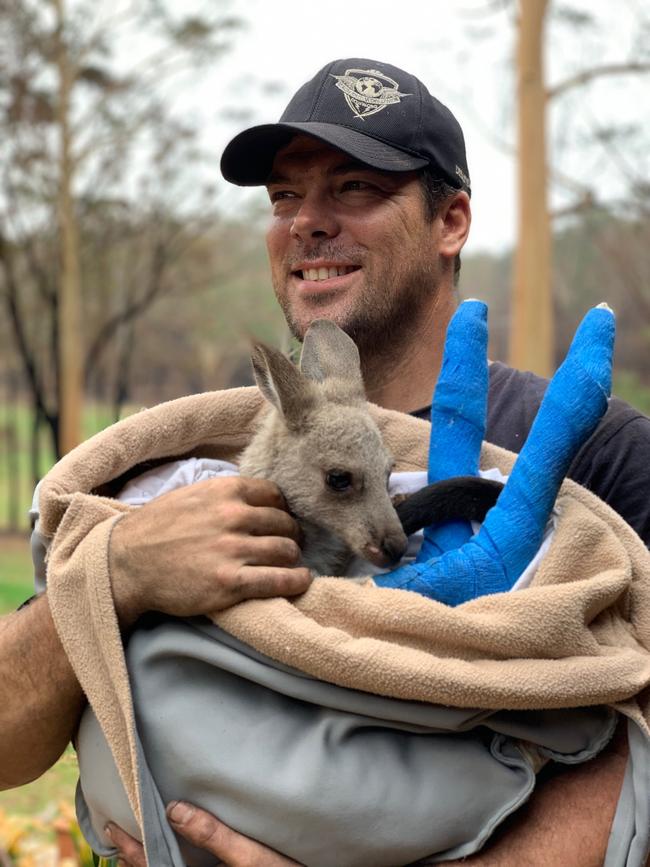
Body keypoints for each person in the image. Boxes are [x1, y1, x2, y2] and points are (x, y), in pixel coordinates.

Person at [2, 57, 649, 866]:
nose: (306, 221)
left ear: (450, 221)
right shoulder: (192, 464)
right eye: (283, 196)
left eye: (354, 188)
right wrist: (120, 570)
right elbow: (7, 744)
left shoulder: (596, 448)